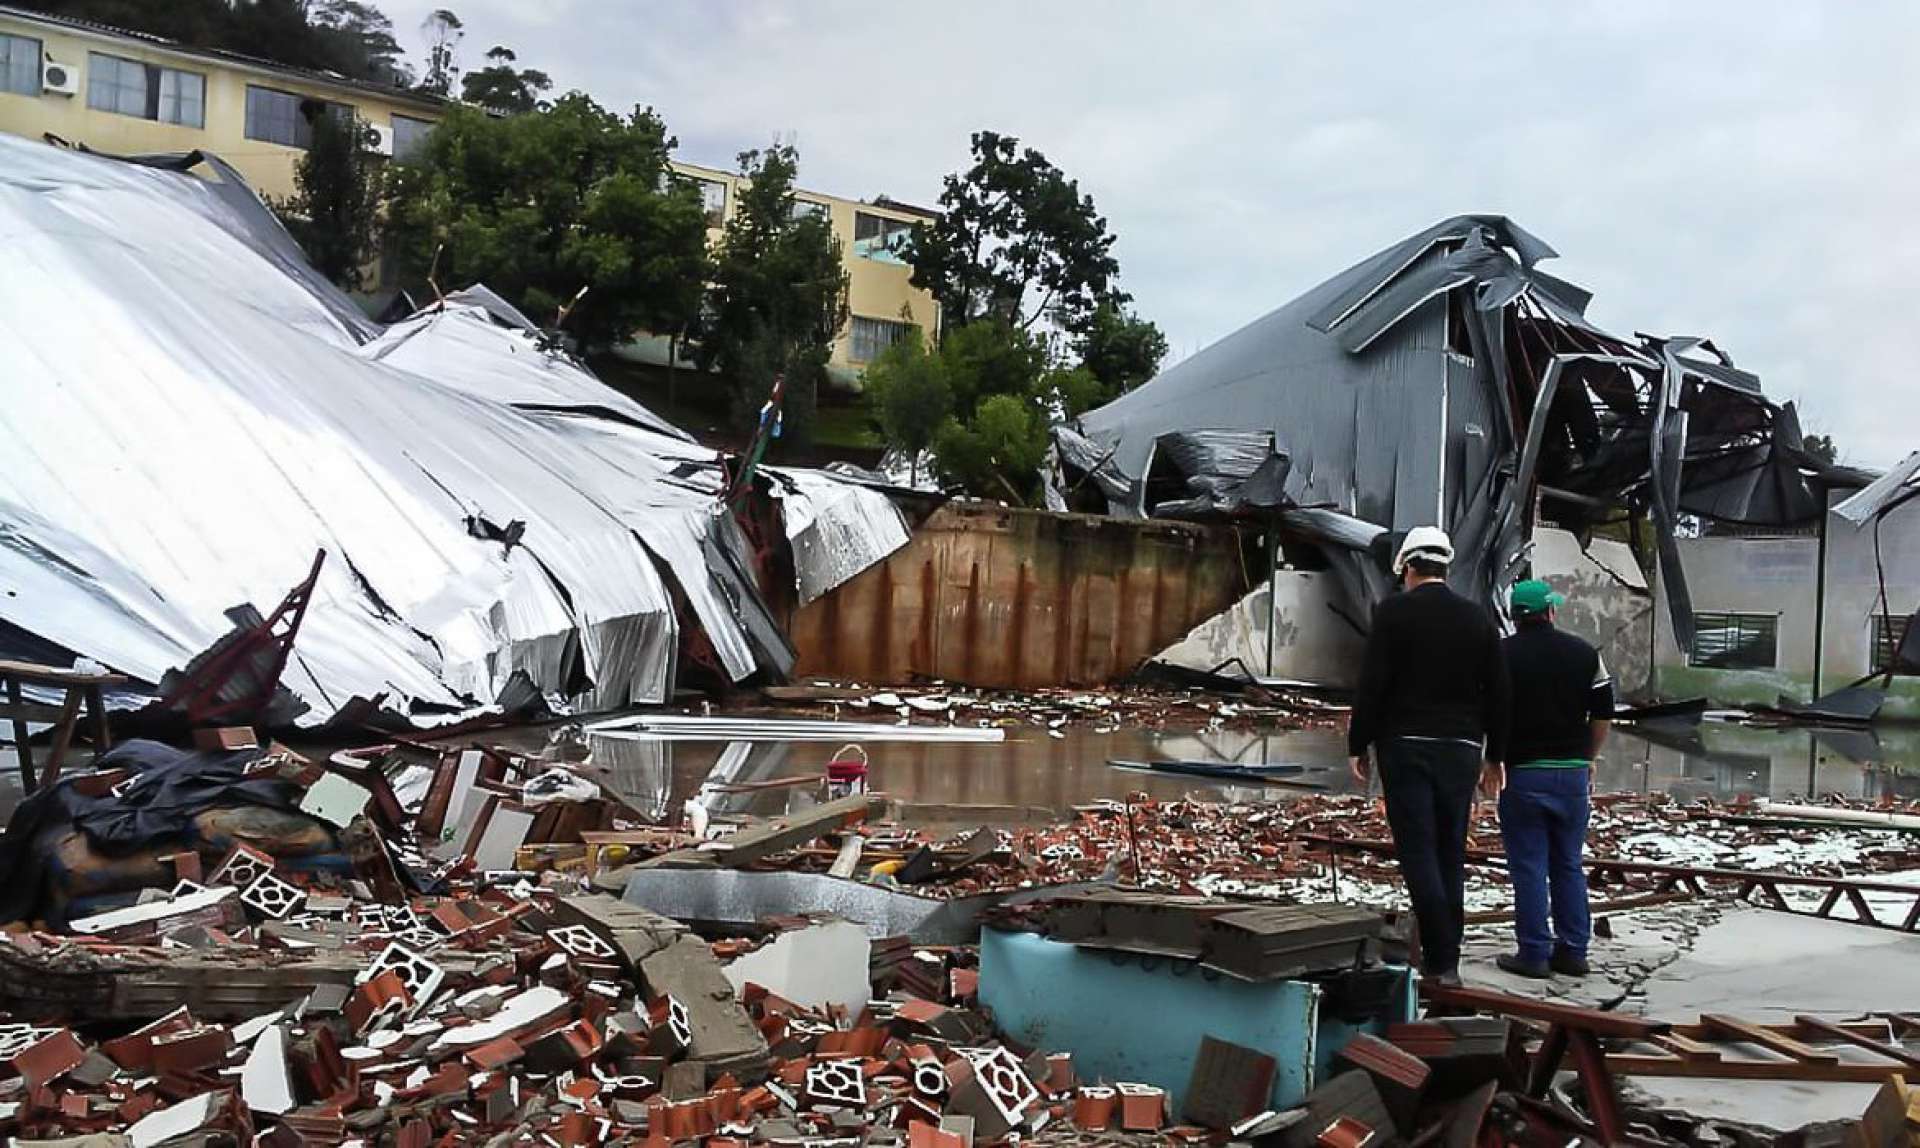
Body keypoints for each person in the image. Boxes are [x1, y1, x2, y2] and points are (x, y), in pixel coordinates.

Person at [1348, 527, 1510, 987]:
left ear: (1408, 568)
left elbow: (1373, 682)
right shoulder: (1477, 618)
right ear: (1445, 566)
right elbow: (1499, 691)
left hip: (1406, 746)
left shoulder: (1393, 613)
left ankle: (1442, 957)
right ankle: (1445, 955)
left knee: (1418, 851)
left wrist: (1358, 744)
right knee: (1448, 851)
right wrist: (1495, 754)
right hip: (1461, 750)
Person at [1492, 579, 1613, 979]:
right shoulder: (1584, 654)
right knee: (1568, 863)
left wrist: (1491, 762)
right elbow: (1603, 714)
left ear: (1514, 617)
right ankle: (1574, 951)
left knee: (1528, 865)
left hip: (1523, 774)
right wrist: (1588, 757)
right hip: (1572, 776)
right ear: (1550, 612)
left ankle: (1533, 953)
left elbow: (1487, 714)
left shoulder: (1501, 655)